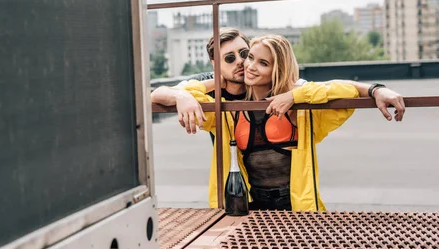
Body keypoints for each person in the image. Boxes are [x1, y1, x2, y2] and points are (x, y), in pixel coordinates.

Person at [151, 28, 406, 210]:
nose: (244, 63)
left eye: (247, 54)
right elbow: (155, 95)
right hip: (246, 201)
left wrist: (376, 89)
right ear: (215, 64)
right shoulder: (220, 101)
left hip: (295, 201)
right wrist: (182, 96)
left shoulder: (295, 96)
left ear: (276, 68)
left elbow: (338, 88)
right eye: (232, 58)